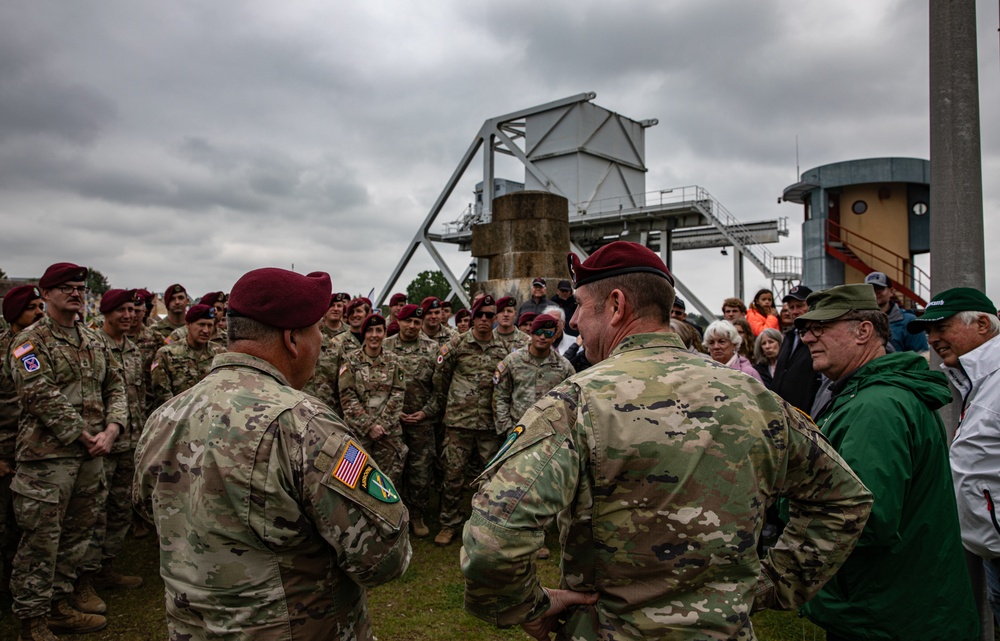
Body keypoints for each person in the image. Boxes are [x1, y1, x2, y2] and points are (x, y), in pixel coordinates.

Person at [462, 242, 873, 640]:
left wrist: (524, 608)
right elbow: (843, 498)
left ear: (617, 305)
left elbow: (493, 541)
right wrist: (773, 584)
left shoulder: (576, 403)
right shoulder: (757, 398)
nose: (572, 323)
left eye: (583, 306)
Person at [134, 268, 411, 641]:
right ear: (292, 339)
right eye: (315, 331)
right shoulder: (303, 424)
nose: (322, 343)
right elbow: (382, 556)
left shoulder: (165, 417)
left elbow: (147, 510)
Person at [795, 284, 978, 640]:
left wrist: (787, 504)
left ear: (864, 331)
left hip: (885, 614)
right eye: (805, 329)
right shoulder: (869, 396)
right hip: (893, 606)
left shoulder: (876, 407)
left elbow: (864, 519)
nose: (807, 338)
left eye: (820, 327)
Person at [10, 263, 127, 639]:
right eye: (65, 287)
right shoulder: (29, 341)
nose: (76, 293)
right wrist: (82, 434)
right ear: (45, 295)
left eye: (79, 286)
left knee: (78, 535)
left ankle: (60, 605)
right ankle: (33, 620)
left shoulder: (93, 340)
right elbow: (38, 393)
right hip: (47, 459)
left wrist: (113, 428)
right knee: (41, 540)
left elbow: (116, 387)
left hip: (92, 454)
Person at [905, 287, 1000, 626]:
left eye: (941, 328)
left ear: (983, 326)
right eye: (928, 331)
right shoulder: (976, 381)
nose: (932, 339)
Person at [428, 294, 509, 547]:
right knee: (453, 475)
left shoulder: (503, 349)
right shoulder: (456, 345)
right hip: (459, 422)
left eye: (489, 315)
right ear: (472, 317)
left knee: (491, 476)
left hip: (488, 424)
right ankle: (449, 524)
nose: (484, 319)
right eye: (480, 315)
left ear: (494, 318)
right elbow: (440, 380)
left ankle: (488, 524)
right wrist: (449, 409)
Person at [0, 286, 44, 593]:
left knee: (24, 523)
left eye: (41, 306)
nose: (40, 313)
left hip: (28, 448)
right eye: (32, 307)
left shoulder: (33, 348)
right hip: (4, 450)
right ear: (15, 314)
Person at [383, 304, 438, 538]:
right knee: (391, 470)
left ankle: (416, 515)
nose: (413, 326)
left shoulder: (433, 348)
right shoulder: (385, 347)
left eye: (417, 322)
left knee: (420, 471)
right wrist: (392, 414)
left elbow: (441, 388)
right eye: (408, 321)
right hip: (391, 421)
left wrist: (426, 412)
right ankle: (391, 515)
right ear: (399, 321)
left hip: (421, 421)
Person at [339, 313, 407, 483]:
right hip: (358, 433)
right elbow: (347, 395)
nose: (374, 335)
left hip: (388, 434)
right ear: (364, 334)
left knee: (387, 483)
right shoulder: (350, 360)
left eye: (379, 330)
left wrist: (381, 425)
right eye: (370, 331)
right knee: (351, 481)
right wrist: (369, 426)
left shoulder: (394, 361)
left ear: (385, 333)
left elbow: (398, 394)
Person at [150, 304, 224, 409]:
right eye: (201, 325)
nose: (206, 330)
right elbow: (162, 397)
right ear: (188, 324)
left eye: (210, 325)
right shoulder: (167, 354)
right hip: (178, 417)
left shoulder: (220, 353)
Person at [771, 285, 821, 412]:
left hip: (806, 415)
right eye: (791, 307)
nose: (794, 311)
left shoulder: (819, 338)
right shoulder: (789, 337)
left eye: (799, 306)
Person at [864, 272, 928, 354]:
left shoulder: (909, 322)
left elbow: (921, 356)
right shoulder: (859, 322)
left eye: (879, 288)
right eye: (870, 289)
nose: (875, 293)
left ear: (891, 291)